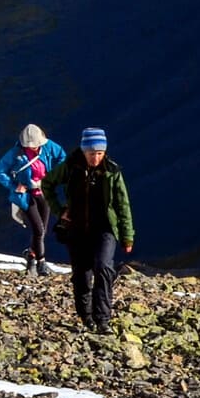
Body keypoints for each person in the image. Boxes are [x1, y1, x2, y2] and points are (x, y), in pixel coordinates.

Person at [48, 128, 133, 332]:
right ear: (84, 151)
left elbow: (122, 204)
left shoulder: (112, 171)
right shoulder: (70, 167)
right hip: (77, 229)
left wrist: (127, 236)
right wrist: (59, 211)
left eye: (99, 153)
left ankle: (103, 320)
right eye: (91, 153)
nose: (95, 158)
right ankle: (86, 317)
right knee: (82, 275)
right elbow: (47, 184)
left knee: (103, 267)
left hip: (105, 229)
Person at [0, 124, 66, 275]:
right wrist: (14, 186)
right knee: (38, 229)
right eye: (31, 146)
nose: (34, 148)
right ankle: (41, 263)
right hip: (26, 196)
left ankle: (31, 255)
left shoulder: (49, 147)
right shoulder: (15, 153)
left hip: (44, 193)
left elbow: (62, 158)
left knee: (42, 230)